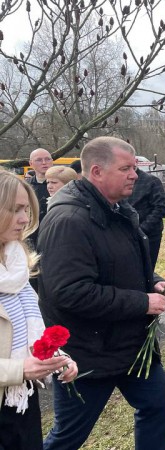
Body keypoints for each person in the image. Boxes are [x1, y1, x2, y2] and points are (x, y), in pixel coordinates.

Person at [37, 137, 165, 450]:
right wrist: (142, 302)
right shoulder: (69, 221)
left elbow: (118, 261)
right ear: (97, 172)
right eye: (125, 168)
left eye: (134, 168)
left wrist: (152, 282)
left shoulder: (116, 208)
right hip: (88, 352)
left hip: (126, 345)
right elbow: (70, 292)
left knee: (157, 402)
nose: (134, 175)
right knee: (68, 436)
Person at [0, 170, 78, 450]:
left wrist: (53, 356)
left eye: (26, 209)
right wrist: (18, 369)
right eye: (14, 209)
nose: (25, 218)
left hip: (20, 400)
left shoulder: (17, 263)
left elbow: (25, 329)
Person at [129, 167, 165, 271]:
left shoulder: (151, 181)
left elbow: (161, 209)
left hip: (149, 234)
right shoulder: (119, 181)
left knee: (146, 271)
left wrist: (141, 230)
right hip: (126, 235)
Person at [26, 149, 52, 249]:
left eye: (47, 159)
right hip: (31, 236)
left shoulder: (63, 184)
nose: (44, 163)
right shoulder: (26, 186)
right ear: (31, 163)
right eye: (39, 160)